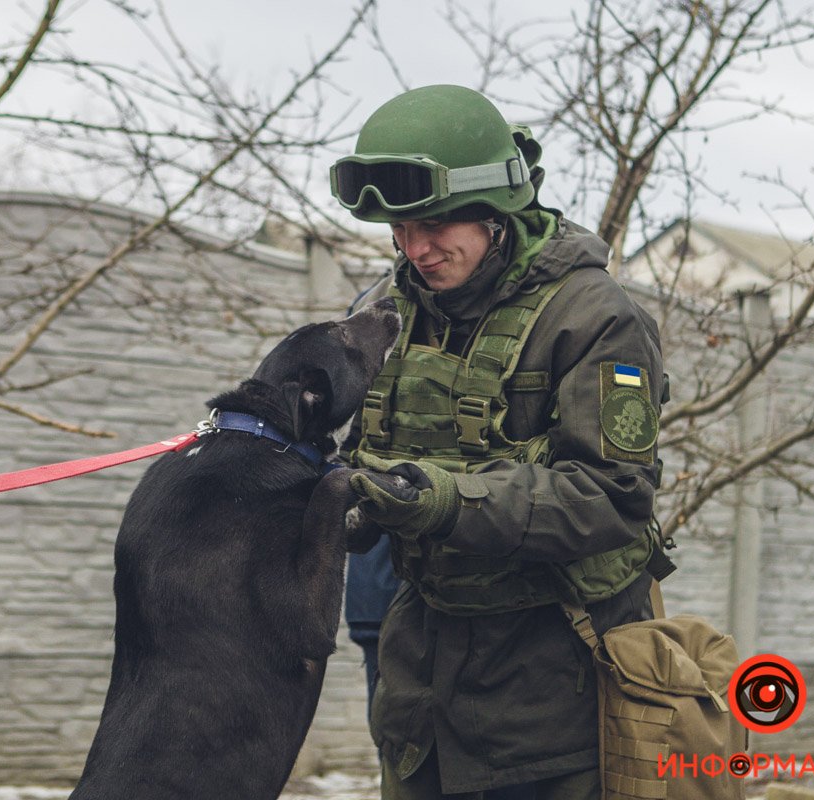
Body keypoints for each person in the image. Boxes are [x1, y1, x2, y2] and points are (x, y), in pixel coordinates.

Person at [331, 85, 666, 800]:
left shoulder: (595, 318)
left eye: (434, 224)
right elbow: (359, 451)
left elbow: (613, 496)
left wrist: (445, 500)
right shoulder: (391, 312)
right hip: (419, 684)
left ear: (496, 209)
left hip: (551, 691)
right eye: (399, 228)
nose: (414, 249)